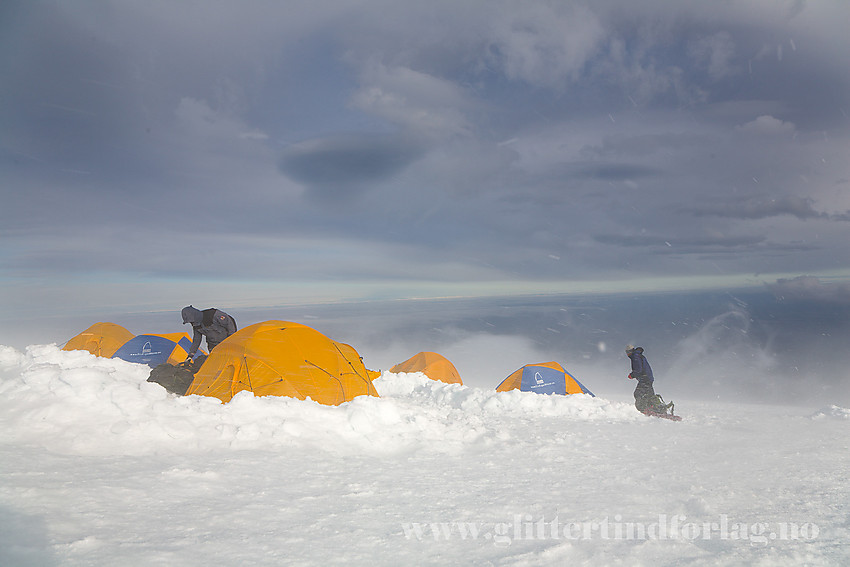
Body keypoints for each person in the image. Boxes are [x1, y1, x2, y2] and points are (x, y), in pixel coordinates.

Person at [626, 345, 656, 413]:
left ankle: (646, 409)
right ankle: (654, 408)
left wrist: (632, 375)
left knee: (638, 393)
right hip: (648, 378)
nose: (627, 354)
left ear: (630, 351)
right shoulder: (638, 355)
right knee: (649, 394)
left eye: (627, 352)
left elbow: (638, 369)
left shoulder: (635, 356)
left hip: (645, 378)